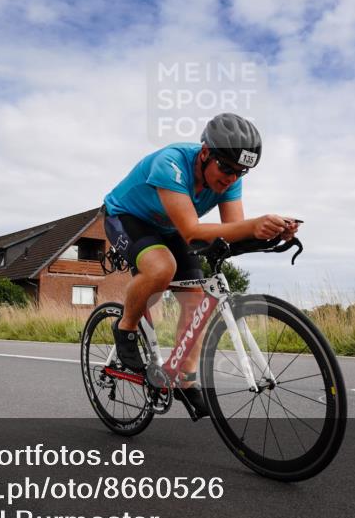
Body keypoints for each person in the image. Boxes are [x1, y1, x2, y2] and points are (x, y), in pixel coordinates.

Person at [102, 112, 299, 417]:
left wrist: (270, 235)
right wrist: (253, 225)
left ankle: (185, 378)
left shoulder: (229, 180)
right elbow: (193, 232)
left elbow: (232, 234)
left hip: (170, 227)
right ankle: (125, 327)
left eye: (241, 172)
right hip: (126, 218)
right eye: (226, 167)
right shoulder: (171, 164)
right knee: (161, 267)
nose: (231, 178)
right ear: (205, 152)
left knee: (196, 298)